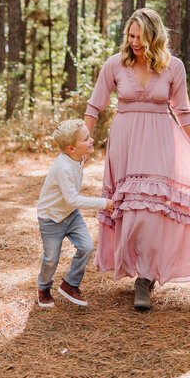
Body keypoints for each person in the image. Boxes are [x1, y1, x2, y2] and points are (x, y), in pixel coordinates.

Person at [84, 8, 190, 311]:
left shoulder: (173, 67)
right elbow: (94, 107)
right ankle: (133, 266)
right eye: (131, 36)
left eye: (141, 38)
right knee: (127, 211)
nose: (135, 43)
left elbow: (183, 113)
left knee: (151, 213)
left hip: (159, 140)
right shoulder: (114, 64)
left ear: (155, 38)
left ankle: (145, 278)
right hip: (125, 142)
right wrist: (82, 145)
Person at [35, 119, 114, 308]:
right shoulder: (63, 167)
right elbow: (72, 199)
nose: (92, 140)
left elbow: (70, 204)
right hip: (51, 218)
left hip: (71, 215)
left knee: (86, 247)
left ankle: (70, 284)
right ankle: (43, 288)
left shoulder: (78, 157)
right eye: (86, 139)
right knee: (51, 258)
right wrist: (103, 203)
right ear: (71, 148)